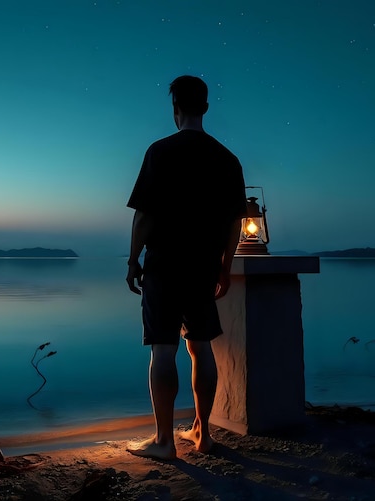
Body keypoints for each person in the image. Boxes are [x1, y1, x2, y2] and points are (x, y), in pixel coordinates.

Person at [125, 75, 248, 460]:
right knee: (201, 348)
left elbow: (144, 216)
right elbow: (234, 224)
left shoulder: (159, 152)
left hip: (163, 264)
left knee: (163, 350)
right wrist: (224, 267)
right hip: (202, 268)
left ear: (175, 108)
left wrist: (133, 258)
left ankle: (163, 441)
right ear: (206, 107)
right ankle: (203, 433)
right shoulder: (227, 160)